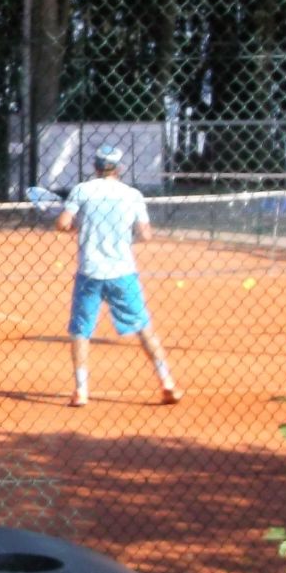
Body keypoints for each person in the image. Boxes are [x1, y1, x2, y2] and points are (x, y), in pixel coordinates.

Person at [57, 145, 182, 408]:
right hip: (123, 271)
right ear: (119, 168)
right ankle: (167, 383)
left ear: (95, 167)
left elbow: (63, 223)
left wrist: (79, 229)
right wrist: (124, 237)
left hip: (90, 271)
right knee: (144, 327)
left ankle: (81, 390)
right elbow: (146, 235)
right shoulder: (132, 195)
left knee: (81, 330)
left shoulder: (82, 190)